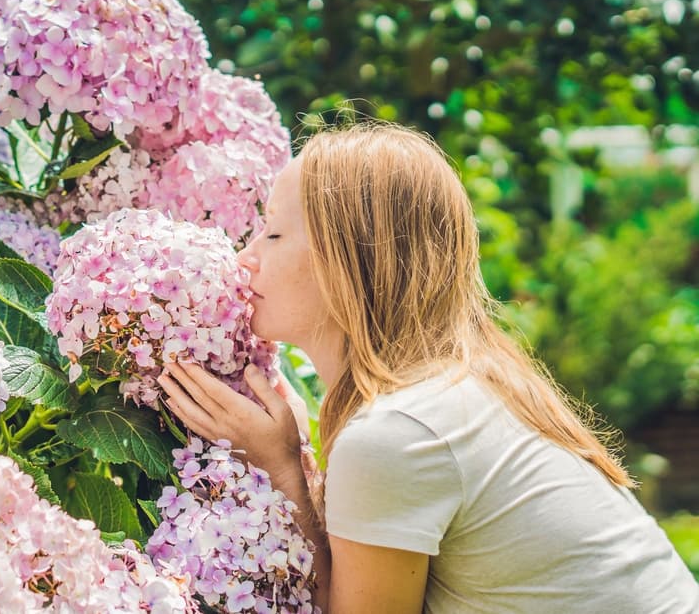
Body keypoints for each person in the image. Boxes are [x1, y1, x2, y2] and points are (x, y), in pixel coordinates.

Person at [158, 122, 699, 613]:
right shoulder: (458, 386)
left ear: (351, 261)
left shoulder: (398, 432)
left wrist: (281, 469)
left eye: (273, 233)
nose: (245, 256)